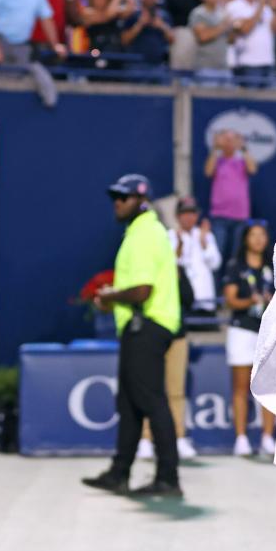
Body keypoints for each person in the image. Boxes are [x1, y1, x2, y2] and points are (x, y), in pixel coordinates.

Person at [82, 174, 182, 497]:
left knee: (152, 402)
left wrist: (107, 296)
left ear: (140, 200)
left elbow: (142, 290)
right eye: (115, 197)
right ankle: (119, 472)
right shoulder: (144, 231)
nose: (117, 202)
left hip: (147, 326)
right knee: (129, 404)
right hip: (143, 327)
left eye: (123, 197)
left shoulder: (143, 233)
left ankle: (168, 479)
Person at [135, 197, 216, 463]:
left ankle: (179, 437)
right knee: (151, 387)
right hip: (154, 326)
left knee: (176, 390)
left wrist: (200, 244)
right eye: (185, 213)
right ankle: (146, 440)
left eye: (193, 212)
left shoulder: (201, 239)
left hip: (176, 326)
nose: (189, 217)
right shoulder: (162, 242)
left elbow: (200, 279)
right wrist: (177, 254)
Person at [223, 221, 276, 457]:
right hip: (241, 331)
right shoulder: (236, 266)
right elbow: (230, 300)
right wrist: (252, 301)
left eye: (262, 235)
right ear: (245, 238)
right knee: (240, 387)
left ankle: (267, 437)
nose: (257, 239)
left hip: (266, 331)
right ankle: (241, 438)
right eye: (253, 235)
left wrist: (270, 299)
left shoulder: (272, 266)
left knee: (268, 385)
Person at [205, 129, 257, 267]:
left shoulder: (242, 162)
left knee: (236, 257)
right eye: (225, 139)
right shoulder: (217, 161)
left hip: (240, 216)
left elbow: (252, 169)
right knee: (216, 256)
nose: (229, 142)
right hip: (219, 216)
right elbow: (208, 171)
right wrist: (215, 149)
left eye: (232, 139)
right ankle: (214, 288)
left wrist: (243, 148)